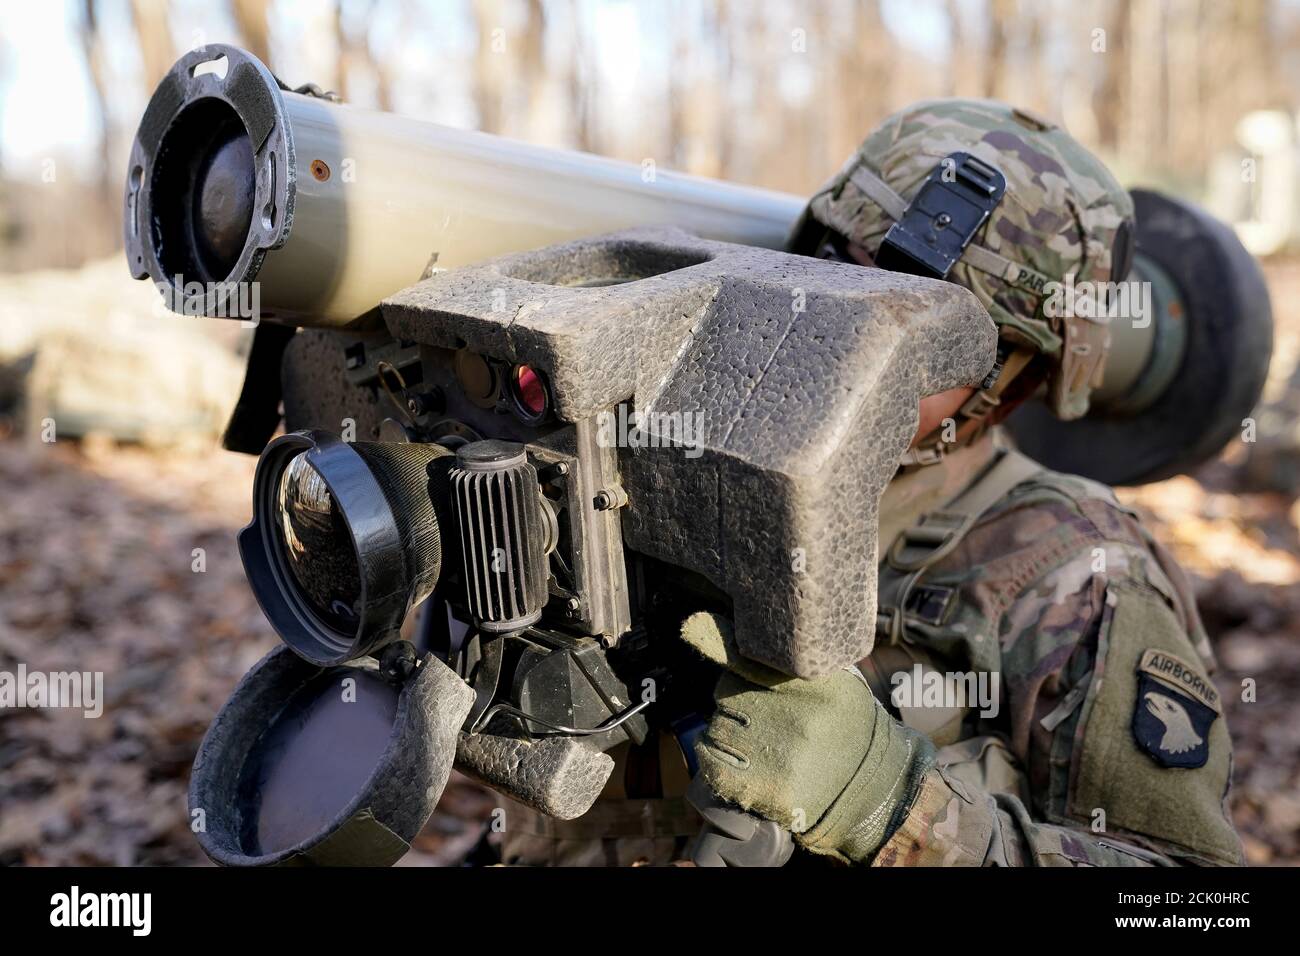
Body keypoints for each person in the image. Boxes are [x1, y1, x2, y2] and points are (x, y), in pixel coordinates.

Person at [497, 98, 1244, 867]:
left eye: (923, 338)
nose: (845, 346)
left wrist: (893, 806)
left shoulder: (1074, 571)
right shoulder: (643, 451)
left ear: (1011, 385)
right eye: (833, 283)